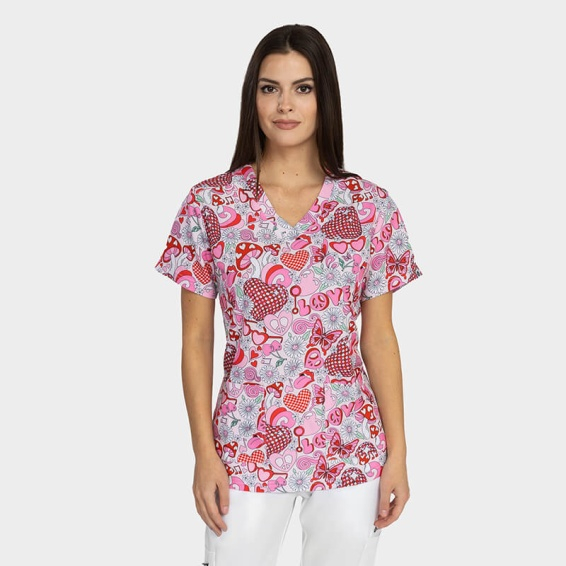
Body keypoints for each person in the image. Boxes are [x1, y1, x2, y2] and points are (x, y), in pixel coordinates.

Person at [154, 23, 422, 566]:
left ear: (326, 97)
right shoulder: (211, 206)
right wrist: (203, 453)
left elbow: (379, 338)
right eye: (269, 88)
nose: (285, 105)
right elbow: (196, 339)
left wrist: (398, 452)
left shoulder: (369, 207)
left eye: (303, 88)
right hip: (244, 441)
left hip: (349, 442)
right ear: (251, 97)